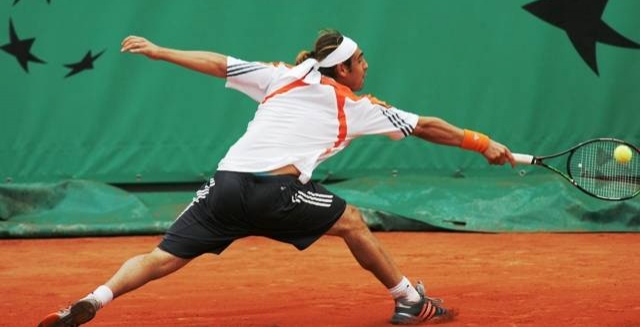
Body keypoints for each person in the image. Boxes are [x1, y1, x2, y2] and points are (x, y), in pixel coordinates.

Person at [39, 30, 515, 326]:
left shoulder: (279, 75)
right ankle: (410, 300)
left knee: (161, 257)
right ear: (343, 68)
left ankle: (92, 299)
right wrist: (483, 143)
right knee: (351, 222)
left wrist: (161, 51)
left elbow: (218, 64)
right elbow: (427, 126)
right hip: (274, 191)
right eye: (361, 61)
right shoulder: (355, 105)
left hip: (225, 185)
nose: (367, 66)